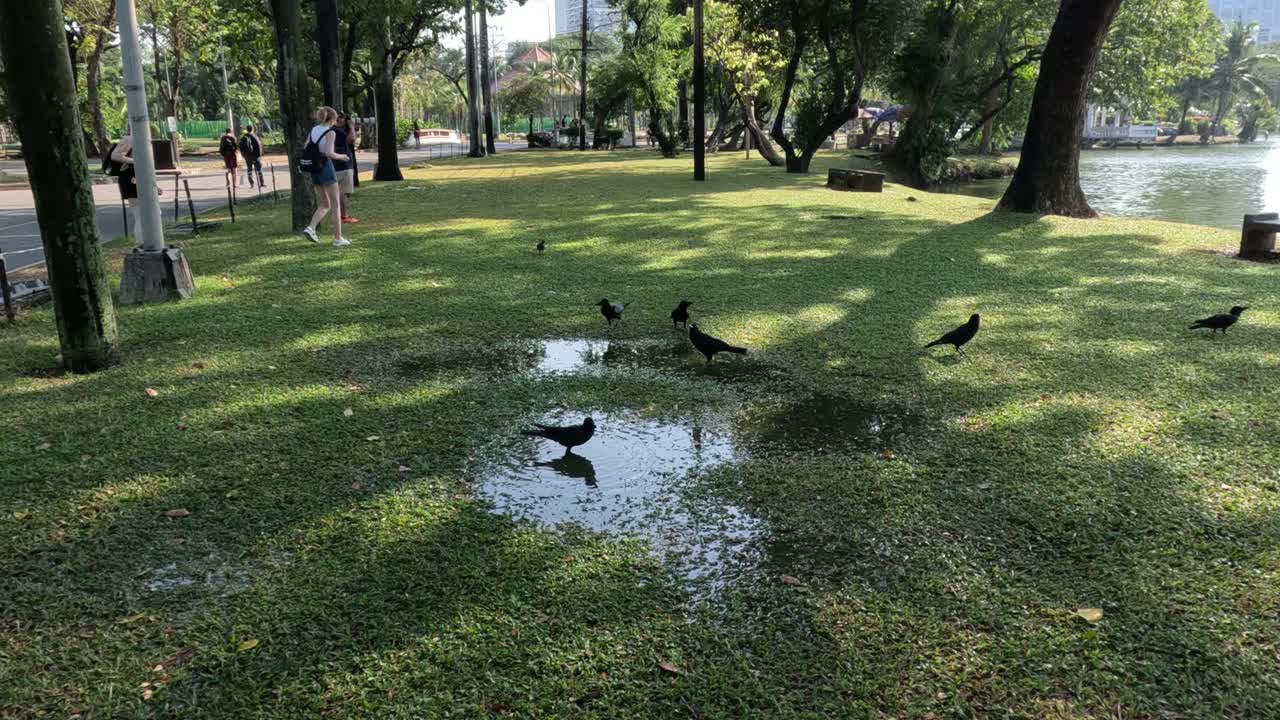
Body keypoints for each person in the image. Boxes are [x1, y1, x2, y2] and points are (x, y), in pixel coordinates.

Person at [300, 106, 350, 247]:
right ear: (332, 118)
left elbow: (306, 147)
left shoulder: (313, 129)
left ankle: (311, 228)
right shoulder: (330, 132)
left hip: (314, 168)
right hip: (325, 167)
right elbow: (329, 153)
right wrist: (343, 156)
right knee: (335, 204)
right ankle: (338, 238)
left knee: (325, 203)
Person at [332, 113, 359, 224]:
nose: (341, 119)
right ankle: (343, 216)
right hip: (343, 165)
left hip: (336, 165)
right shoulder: (336, 130)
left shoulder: (330, 130)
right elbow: (352, 139)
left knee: (339, 192)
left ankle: (339, 215)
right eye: (340, 117)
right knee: (343, 192)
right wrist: (351, 126)